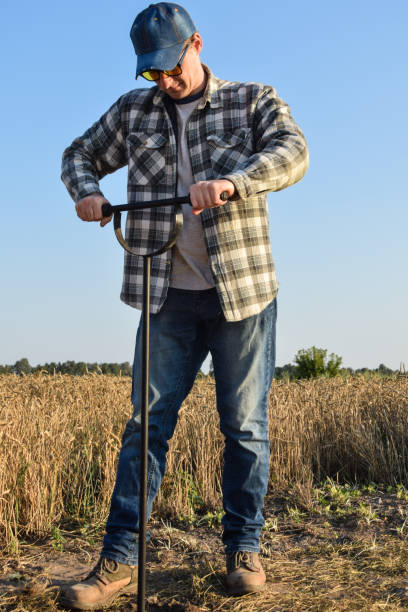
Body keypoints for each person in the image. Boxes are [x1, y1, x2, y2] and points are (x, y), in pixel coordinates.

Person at [60, 2, 309, 609]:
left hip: (241, 293)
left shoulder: (250, 100)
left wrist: (235, 182)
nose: (165, 82)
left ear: (196, 44)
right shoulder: (133, 111)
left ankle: (243, 548)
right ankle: (118, 559)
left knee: (244, 427)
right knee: (146, 425)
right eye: (153, 73)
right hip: (164, 292)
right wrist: (89, 193)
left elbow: (293, 152)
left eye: (172, 68)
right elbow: (77, 155)